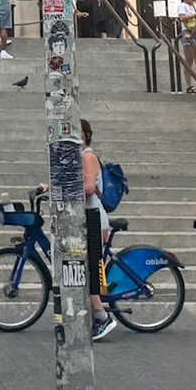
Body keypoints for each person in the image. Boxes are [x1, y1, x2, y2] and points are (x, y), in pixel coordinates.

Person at [80, 119, 116, 341]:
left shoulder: (88, 157)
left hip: (93, 218)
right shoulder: (77, 158)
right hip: (84, 218)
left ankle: (102, 315)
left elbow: (89, 188)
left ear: (86, 135)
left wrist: (61, 190)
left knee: (87, 268)